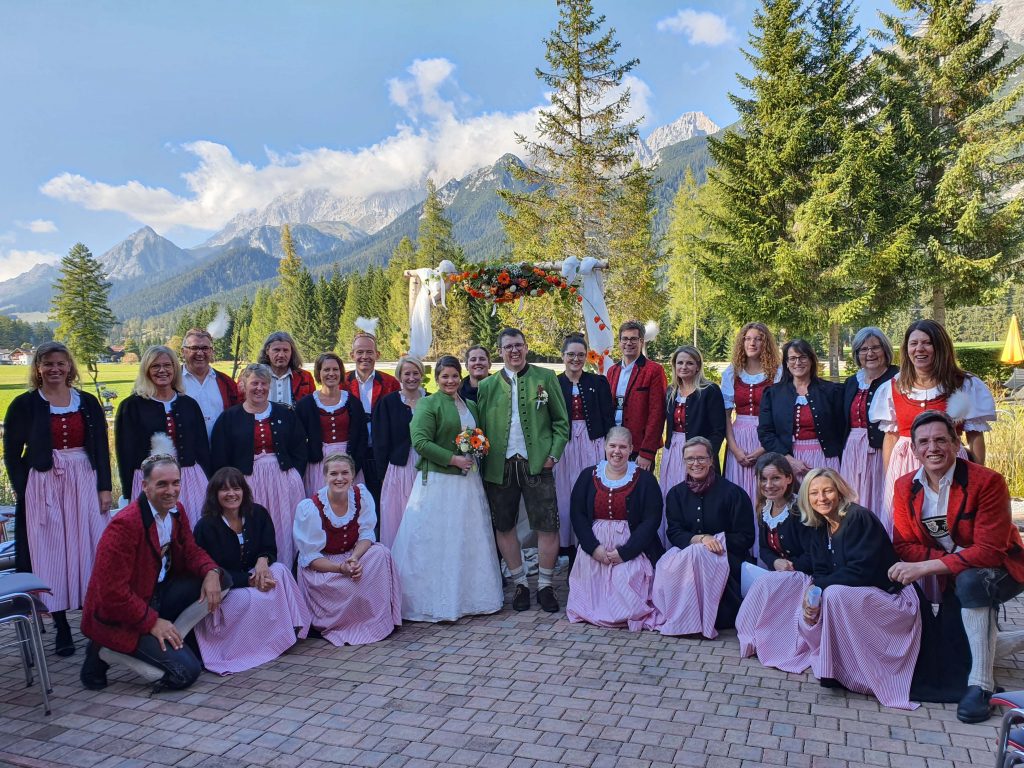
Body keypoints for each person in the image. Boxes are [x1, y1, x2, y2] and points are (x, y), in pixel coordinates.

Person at [890, 411, 1024, 723]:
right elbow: (904, 546)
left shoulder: (987, 482)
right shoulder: (904, 487)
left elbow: (990, 551)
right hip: (956, 573)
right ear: (913, 450)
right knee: (954, 644)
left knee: (972, 584)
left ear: (955, 443)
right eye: (923, 442)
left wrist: (926, 568)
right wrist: (948, 564)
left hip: (1002, 569)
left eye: (940, 440)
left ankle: (980, 687)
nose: (932, 448)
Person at [79, 454, 226, 691]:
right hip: (118, 616)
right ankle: (104, 651)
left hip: (154, 596)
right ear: (145, 486)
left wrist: (211, 571)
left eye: (175, 482)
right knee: (184, 673)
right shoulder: (124, 525)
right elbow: (111, 593)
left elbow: (190, 551)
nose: (171, 490)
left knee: (222, 578)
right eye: (162, 484)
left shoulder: (177, 511)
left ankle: (175, 638)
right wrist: (151, 622)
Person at [3, 342, 112, 656]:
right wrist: (26, 490)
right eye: (48, 364)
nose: (55, 369)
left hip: (84, 478)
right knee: (51, 552)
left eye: (61, 364)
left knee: (90, 547)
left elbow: (101, 448)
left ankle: (93, 621)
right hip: (44, 483)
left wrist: (105, 487)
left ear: (70, 367)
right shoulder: (24, 405)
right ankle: (61, 624)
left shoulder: (87, 402)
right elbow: (11, 454)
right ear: (38, 367)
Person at [794, 468, 921, 710]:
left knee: (833, 593)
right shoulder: (820, 526)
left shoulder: (858, 517)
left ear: (840, 491)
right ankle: (840, 667)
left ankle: (864, 671)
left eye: (828, 491)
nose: (821, 498)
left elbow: (862, 571)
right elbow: (820, 570)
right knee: (818, 594)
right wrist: (813, 594)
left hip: (891, 596)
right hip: (860, 596)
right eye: (814, 493)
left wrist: (819, 589)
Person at [391, 357, 504, 621]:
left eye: (454, 376)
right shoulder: (428, 404)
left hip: (468, 482)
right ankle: (432, 600)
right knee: (438, 538)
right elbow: (419, 441)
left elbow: (479, 434)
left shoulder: (470, 404)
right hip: (441, 481)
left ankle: (469, 597)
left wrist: (478, 449)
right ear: (436, 379)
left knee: (466, 537)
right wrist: (453, 459)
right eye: (445, 377)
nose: (450, 381)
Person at [870, 319, 996, 530]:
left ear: (940, 346)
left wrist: (976, 476)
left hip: (949, 461)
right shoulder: (893, 387)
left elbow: (974, 434)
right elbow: (890, 436)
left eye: (927, 342)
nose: (919, 349)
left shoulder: (963, 384)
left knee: (951, 521)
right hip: (905, 462)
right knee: (906, 525)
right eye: (913, 343)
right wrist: (889, 476)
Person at [478, 329, 570, 612]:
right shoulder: (488, 386)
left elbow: (561, 423)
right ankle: (519, 582)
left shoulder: (545, 378)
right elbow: (479, 429)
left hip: (537, 463)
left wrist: (553, 455)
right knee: (504, 524)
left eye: (518, 345)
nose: (514, 351)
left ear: (527, 347)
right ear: (500, 351)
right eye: (508, 347)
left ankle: (544, 585)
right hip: (500, 466)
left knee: (547, 524)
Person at [192, 468, 310, 674]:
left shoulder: (258, 513)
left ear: (244, 491)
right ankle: (245, 648)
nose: (231, 494)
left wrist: (263, 562)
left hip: (256, 575)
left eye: (236, 488)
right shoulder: (206, 527)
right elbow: (212, 569)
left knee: (280, 570)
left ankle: (286, 632)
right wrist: (249, 580)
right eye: (224, 490)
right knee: (248, 599)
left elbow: (269, 548)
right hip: (228, 587)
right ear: (214, 495)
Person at [652, 437, 755, 638]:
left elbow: (746, 537)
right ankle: (683, 617)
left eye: (700, 458)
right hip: (687, 558)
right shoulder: (675, 494)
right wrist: (700, 540)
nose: (695, 463)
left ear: (711, 460)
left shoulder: (734, 494)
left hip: (725, 559)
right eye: (690, 459)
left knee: (702, 556)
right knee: (668, 563)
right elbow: (674, 532)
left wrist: (715, 543)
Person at [293, 453, 401, 644]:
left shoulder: (361, 495)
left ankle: (375, 618)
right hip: (325, 563)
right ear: (325, 477)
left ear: (353, 476)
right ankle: (340, 622)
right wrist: (341, 568)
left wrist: (355, 558)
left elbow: (367, 535)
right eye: (334, 474)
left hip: (352, 556)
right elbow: (310, 556)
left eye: (345, 473)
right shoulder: (310, 507)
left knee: (381, 553)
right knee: (345, 581)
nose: (340, 478)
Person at [566, 426, 663, 630]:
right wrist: (593, 548)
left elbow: (651, 519)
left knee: (626, 580)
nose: (616, 451)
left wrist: (626, 552)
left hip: (632, 547)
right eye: (612, 446)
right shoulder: (588, 476)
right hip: (595, 547)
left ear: (631, 449)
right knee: (591, 580)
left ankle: (621, 614)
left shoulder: (645, 480)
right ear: (604, 446)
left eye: (622, 447)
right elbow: (578, 514)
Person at [211, 363, 307, 568]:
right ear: (243, 386)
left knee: (285, 526)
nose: (260, 388)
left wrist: (294, 475)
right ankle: (255, 572)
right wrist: (231, 485)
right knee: (253, 526)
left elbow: (299, 447)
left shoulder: (284, 413)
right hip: (247, 482)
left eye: (264, 384)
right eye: (254, 383)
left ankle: (286, 570)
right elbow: (220, 457)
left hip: (283, 480)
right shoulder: (229, 418)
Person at [735, 454, 820, 665]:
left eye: (775, 479)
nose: (768, 485)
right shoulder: (764, 509)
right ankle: (756, 637)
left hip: (804, 577)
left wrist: (790, 566)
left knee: (764, 583)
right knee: (764, 582)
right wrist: (774, 562)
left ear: (789, 479)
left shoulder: (800, 510)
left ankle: (768, 640)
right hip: (782, 574)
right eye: (763, 479)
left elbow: (814, 555)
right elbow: (764, 548)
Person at [115, 345, 210, 518]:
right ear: (146, 370)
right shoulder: (131, 406)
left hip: (189, 481)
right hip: (151, 481)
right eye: (155, 366)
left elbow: (202, 449)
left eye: (167, 365)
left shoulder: (189, 404)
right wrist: (128, 492)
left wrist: (209, 483)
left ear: (175, 368)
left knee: (191, 530)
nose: (162, 370)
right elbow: (125, 453)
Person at [555, 334, 614, 559]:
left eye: (580, 355)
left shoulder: (597, 382)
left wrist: (609, 448)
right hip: (566, 445)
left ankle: (590, 542)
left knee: (591, 491)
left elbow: (608, 417)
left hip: (593, 443)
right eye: (571, 354)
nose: (576, 359)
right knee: (565, 492)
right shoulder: (555, 383)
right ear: (563, 356)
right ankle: (568, 546)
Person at [660, 345, 726, 544]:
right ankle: (673, 543)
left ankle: (700, 543)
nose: (684, 367)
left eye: (689, 363)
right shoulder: (671, 391)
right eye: (680, 363)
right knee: (672, 496)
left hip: (698, 452)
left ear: (698, 366)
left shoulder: (709, 390)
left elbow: (718, 430)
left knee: (697, 498)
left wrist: (706, 456)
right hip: (673, 452)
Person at [758, 339, 844, 478]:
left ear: (811, 360)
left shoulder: (831, 391)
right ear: (786, 363)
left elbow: (842, 428)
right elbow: (765, 432)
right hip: (787, 461)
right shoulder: (773, 393)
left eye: (803, 357)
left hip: (825, 459)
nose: (798, 363)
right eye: (792, 358)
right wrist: (788, 460)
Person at [840, 327, 898, 519]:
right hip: (853, 450)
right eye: (863, 349)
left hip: (885, 448)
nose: (870, 353)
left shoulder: (898, 378)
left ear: (885, 350)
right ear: (857, 354)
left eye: (875, 347)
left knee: (881, 497)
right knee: (854, 497)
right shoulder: (852, 382)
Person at [722, 323, 781, 505]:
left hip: (767, 438)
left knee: (765, 492)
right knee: (737, 494)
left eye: (758, 339)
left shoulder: (777, 373)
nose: (752, 343)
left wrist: (761, 450)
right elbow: (725, 416)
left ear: (766, 343)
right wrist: (735, 449)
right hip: (738, 438)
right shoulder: (732, 373)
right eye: (747, 338)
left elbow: (780, 417)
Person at [295, 353, 368, 496]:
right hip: (318, 465)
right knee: (321, 506)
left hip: (348, 463)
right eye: (326, 370)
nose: (331, 373)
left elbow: (362, 436)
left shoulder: (353, 402)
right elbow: (297, 440)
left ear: (341, 372)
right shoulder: (305, 404)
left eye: (335, 369)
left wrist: (354, 465)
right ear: (318, 373)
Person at [373, 355, 425, 548]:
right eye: (407, 374)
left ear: (422, 375)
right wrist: (382, 474)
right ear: (399, 377)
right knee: (400, 515)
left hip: (427, 466)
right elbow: (380, 441)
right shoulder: (388, 403)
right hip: (399, 468)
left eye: (415, 373)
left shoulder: (432, 400)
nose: (411, 378)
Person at [346, 328, 401, 508]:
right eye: (360, 352)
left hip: (382, 452)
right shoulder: (342, 382)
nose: (365, 356)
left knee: (383, 502)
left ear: (377, 354)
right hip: (354, 451)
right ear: (352, 355)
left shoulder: (390, 383)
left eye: (369, 352)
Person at [606, 321, 666, 471]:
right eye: (624, 339)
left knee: (639, 492)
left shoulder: (654, 370)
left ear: (641, 341)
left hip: (639, 447)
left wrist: (647, 452)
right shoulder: (612, 371)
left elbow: (657, 414)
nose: (628, 343)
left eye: (633, 339)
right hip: (615, 446)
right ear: (619, 342)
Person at [180, 328, 240, 439]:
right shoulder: (173, 381)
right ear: (183, 351)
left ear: (211, 351)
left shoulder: (226, 382)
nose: (200, 353)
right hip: (186, 452)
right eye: (194, 348)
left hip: (220, 450)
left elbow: (237, 416)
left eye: (205, 348)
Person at [256, 331, 316, 407]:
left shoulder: (305, 377)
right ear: (267, 351)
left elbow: (311, 408)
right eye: (276, 350)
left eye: (285, 350)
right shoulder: (252, 376)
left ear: (292, 352)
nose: (281, 355)